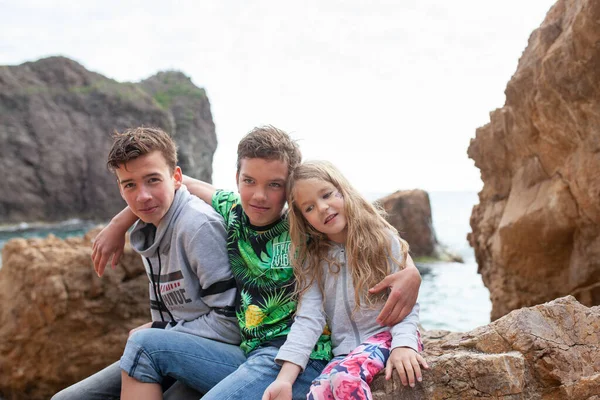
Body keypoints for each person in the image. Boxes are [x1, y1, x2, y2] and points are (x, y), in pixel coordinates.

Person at [92, 126, 423, 399]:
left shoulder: (303, 227)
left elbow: (370, 233)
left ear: (291, 190)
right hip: (246, 351)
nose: (259, 195)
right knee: (143, 344)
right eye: (249, 181)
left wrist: (411, 272)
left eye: (274, 185)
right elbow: (176, 182)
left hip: (296, 358)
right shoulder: (231, 208)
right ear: (237, 177)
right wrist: (118, 224)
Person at [52, 126, 239, 400]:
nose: (142, 196)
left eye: (153, 180)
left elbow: (231, 324)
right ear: (120, 188)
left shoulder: (197, 227)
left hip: (217, 352)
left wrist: (159, 332)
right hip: (169, 347)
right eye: (130, 185)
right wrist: (120, 223)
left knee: (148, 356)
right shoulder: (150, 224)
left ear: (176, 177)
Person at [263, 160, 428, 400]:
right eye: (309, 208)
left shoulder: (382, 240)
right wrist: (284, 379)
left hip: (386, 336)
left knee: (344, 378)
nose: (321, 208)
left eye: (327, 195)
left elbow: (406, 302)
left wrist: (404, 345)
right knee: (317, 393)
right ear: (303, 219)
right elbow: (309, 318)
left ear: (343, 190)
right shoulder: (313, 258)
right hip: (344, 353)